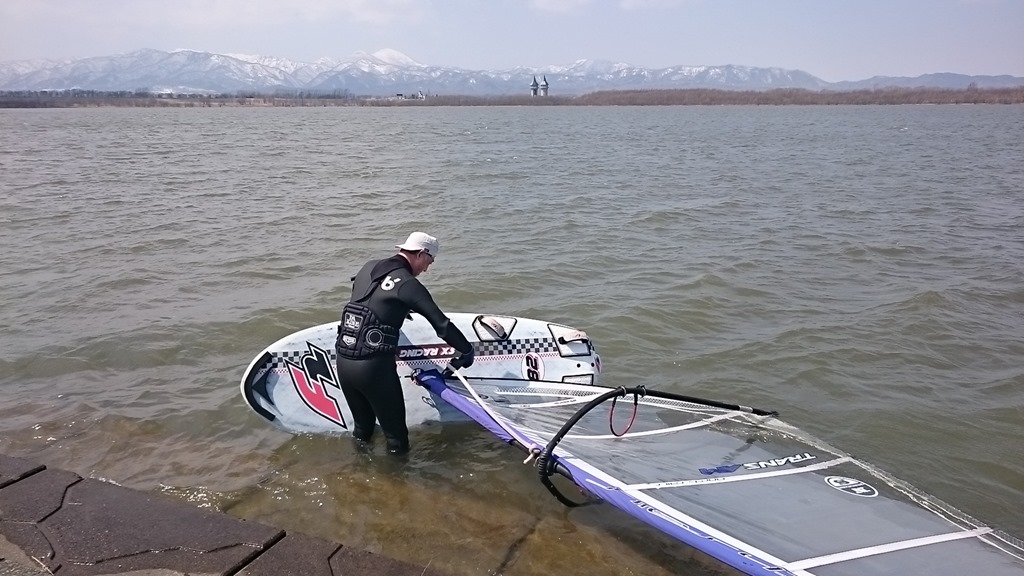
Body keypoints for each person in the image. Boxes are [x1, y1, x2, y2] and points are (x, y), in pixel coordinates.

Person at [335, 232, 475, 454]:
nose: (426, 269)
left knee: (362, 429)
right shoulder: (409, 285)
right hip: (373, 368)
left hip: (344, 360)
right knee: (397, 440)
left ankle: (358, 469)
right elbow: (442, 326)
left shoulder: (368, 267)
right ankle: (395, 476)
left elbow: (370, 301)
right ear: (420, 254)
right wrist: (466, 350)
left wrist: (398, 309)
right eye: (429, 261)